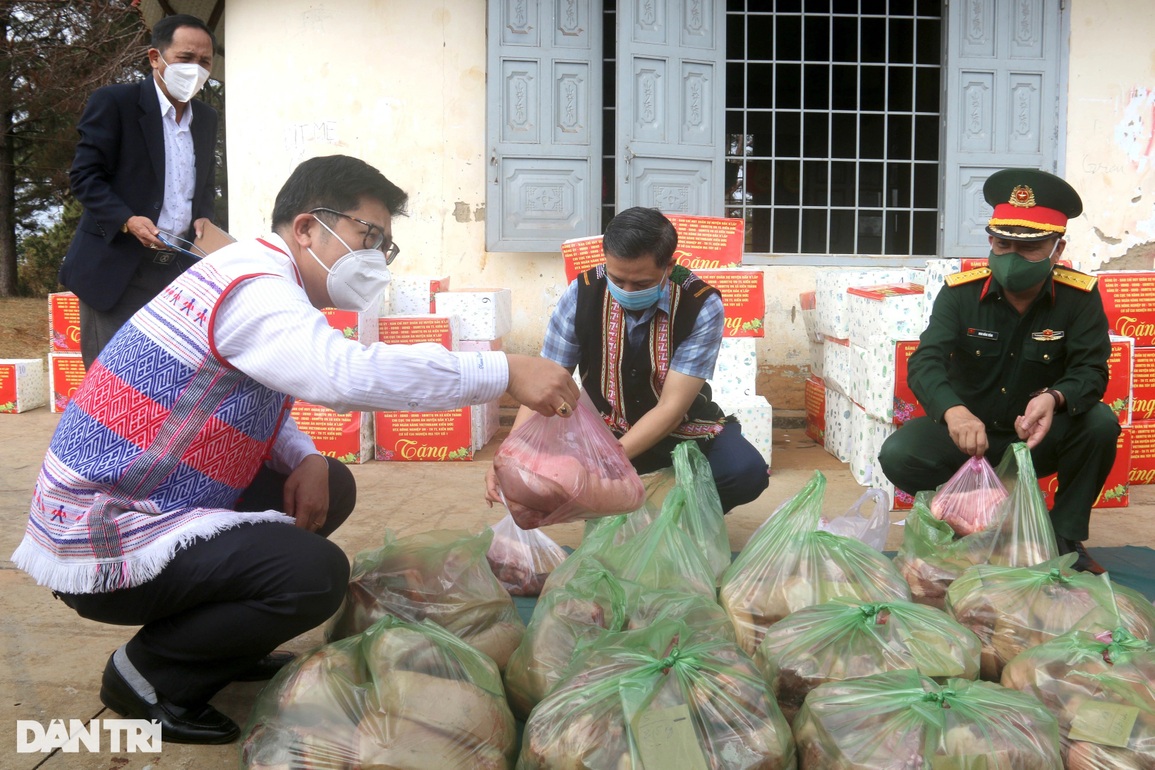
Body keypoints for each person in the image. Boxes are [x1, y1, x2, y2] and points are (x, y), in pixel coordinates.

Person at [11, 154, 580, 745]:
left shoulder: (259, 275)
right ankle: (145, 677)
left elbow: (255, 390)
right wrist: (501, 370)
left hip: (153, 493)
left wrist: (306, 457)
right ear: (306, 227)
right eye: (368, 236)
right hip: (103, 528)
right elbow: (341, 374)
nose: (375, 258)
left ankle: (220, 640)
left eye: (385, 245)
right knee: (314, 576)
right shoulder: (257, 287)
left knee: (329, 484)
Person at [877, 168, 1119, 574]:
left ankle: (1064, 537)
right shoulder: (961, 293)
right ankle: (965, 519)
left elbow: (1091, 371)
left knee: (1099, 423)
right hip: (969, 437)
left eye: (1029, 247)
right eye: (1003, 243)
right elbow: (926, 360)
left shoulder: (1079, 299)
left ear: (1057, 250)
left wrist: (1053, 397)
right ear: (990, 240)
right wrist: (953, 411)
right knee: (900, 453)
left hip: (1036, 439)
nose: (1011, 257)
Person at [486, 206, 769, 514]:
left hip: (679, 431)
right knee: (534, 475)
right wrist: (510, 454)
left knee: (745, 472)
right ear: (606, 260)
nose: (627, 291)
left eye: (642, 284)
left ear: (668, 267)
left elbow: (671, 408)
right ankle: (614, 514)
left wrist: (606, 465)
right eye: (617, 280)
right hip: (601, 430)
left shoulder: (701, 304)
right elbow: (546, 380)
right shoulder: (582, 293)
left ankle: (671, 522)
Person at [59, 14, 220, 368]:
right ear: (155, 58)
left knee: (162, 384)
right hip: (117, 269)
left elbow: (204, 183)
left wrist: (205, 218)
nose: (196, 69)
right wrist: (127, 220)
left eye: (205, 61)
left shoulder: (205, 119)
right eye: (185, 58)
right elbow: (85, 176)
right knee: (109, 386)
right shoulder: (115, 103)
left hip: (176, 273)